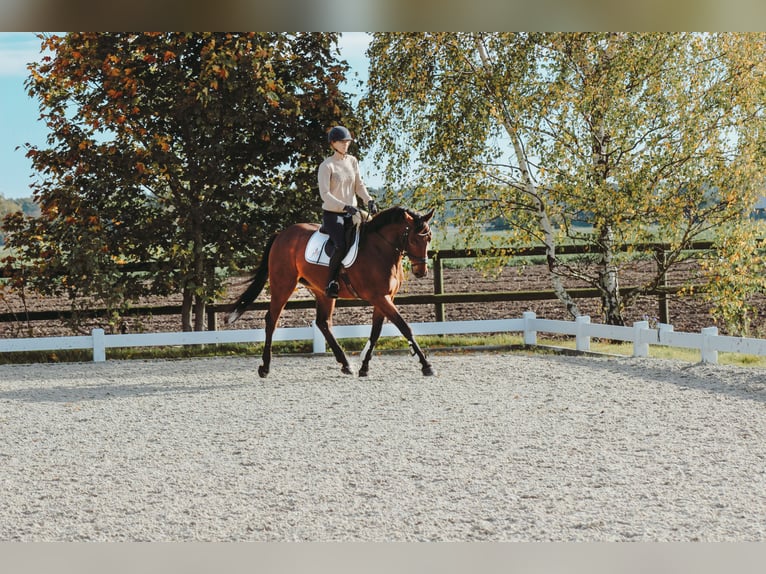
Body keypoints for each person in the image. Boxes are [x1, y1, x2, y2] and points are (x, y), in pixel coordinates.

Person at [318, 125, 379, 298]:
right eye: (342, 142)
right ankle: (331, 283)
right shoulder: (326, 166)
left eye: (348, 142)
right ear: (333, 143)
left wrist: (369, 200)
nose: (346, 144)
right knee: (341, 245)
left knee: (373, 232)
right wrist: (344, 206)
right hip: (333, 215)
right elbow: (325, 194)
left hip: (352, 212)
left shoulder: (352, 161)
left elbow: (359, 185)